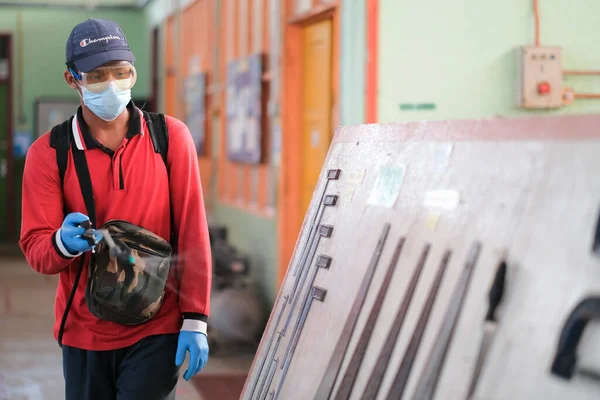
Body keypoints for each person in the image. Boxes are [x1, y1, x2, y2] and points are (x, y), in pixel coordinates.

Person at [19, 18, 212, 399]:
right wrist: (61, 242)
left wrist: (196, 317)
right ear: (72, 78)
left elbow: (193, 229)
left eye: (121, 72)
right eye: (96, 75)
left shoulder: (169, 137)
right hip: (84, 328)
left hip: (158, 323)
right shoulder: (50, 153)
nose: (111, 84)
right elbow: (37, 250)